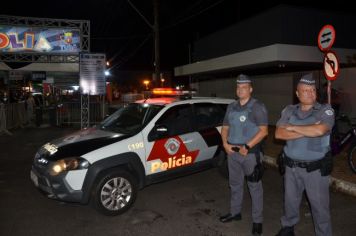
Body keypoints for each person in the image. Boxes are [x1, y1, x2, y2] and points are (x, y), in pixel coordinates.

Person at [275, 73, 334, 236]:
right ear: (297, 93)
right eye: (305, 90)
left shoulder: (325, 110)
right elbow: (279, 134)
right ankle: (288, 228)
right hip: (291, 167)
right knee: (290, 203)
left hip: (315, 170)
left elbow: (321, 129)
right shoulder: (289, 110)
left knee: (320, 208)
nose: (310, 93)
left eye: (312, 90)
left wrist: (293, 127)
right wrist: (308, 129)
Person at [219, 74, 268, 236]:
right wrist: (225, 144)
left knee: (255, 187)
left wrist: (247, 146)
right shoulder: (231, 106)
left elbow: (264, 131)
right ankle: (235, 213)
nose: (241, 90)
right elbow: (225, 127)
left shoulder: (257, 106)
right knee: (235, 185)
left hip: (250, 154)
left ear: (250, 89)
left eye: (244, 87)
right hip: (232, 153)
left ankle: (257, 221)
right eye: (239, 87)